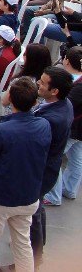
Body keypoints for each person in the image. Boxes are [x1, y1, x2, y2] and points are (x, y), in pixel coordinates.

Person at [0, 77, 51, 272]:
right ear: (35, 102)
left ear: (11, 98)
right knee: (22, 242)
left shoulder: (1, 131)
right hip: (28, 197)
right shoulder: (44, 125)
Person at [29, 67, 75, 264]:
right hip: (47, 169)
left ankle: (33, 257)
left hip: (40, 171)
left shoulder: (51, 119)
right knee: (36, 210)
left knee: (33, 214)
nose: (38, 84)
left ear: (54, 91)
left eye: (43, 82)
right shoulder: (61, 105)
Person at [44, 47, 82, 206]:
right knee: (76, 159)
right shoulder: (76, 81)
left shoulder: (77, 86)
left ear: (67, 61)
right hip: (78, 130)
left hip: (74, 129)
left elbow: (66, 106)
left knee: (53, 159)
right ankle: (69, 189)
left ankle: (53, 195)